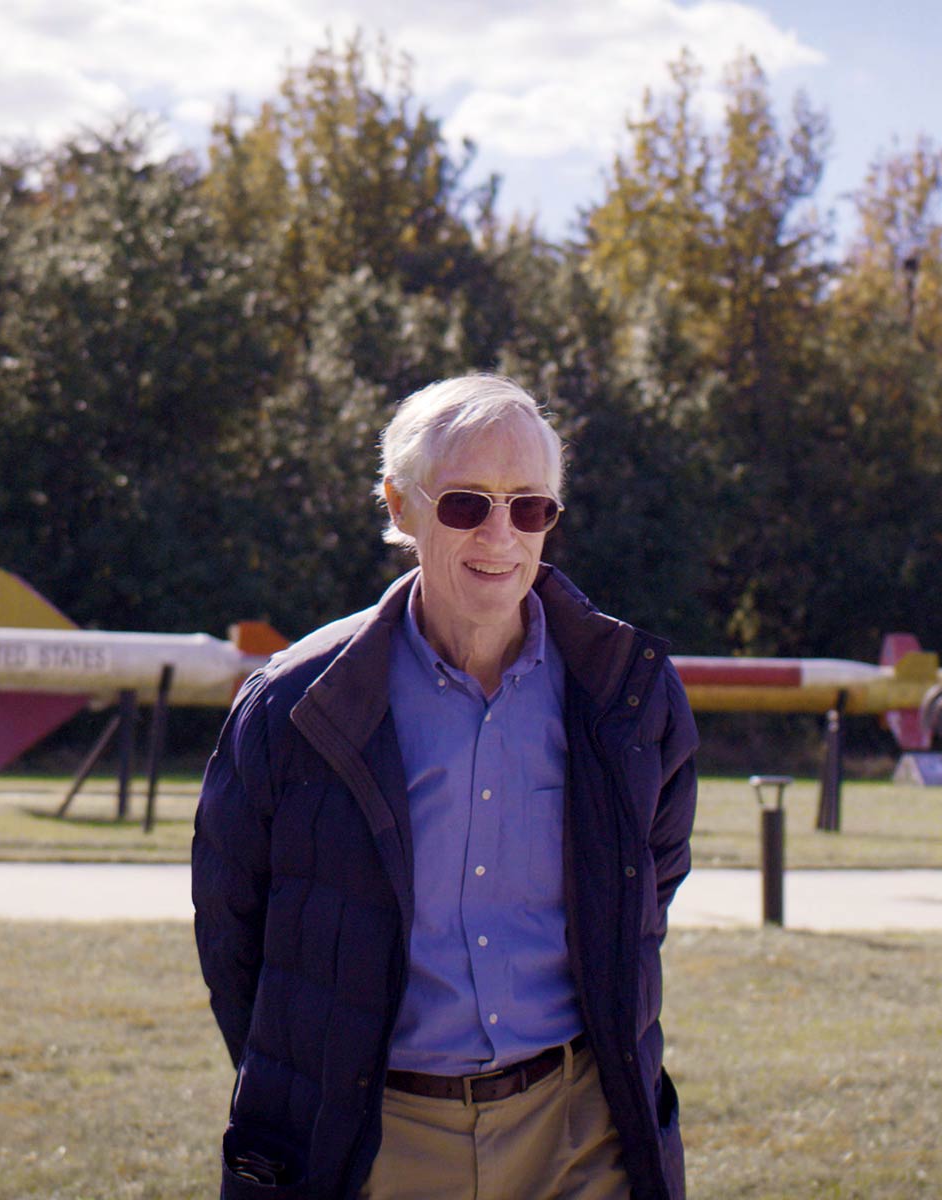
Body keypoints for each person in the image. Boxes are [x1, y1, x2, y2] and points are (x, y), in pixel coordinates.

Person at [193, 373, 698, 1200]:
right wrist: (318, 1082)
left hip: (582, 1130)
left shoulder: (626, 695)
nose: (501, 535)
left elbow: (651, 885)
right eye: (467, 503)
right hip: (374, 1144)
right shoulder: (297, 705)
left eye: (529, 506)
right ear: (401, 508)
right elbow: (233, 927)